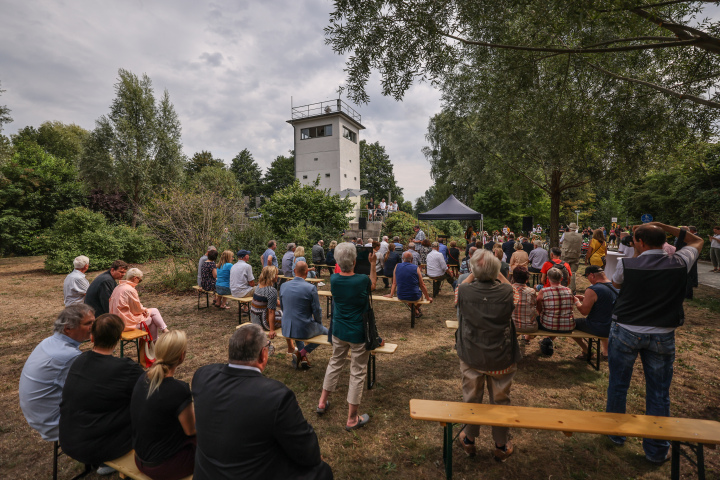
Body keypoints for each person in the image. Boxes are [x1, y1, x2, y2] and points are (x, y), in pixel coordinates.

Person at [606, 223, 702, 464]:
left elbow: (616, 284)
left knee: (618, 384)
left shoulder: (628, 263)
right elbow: (697, 241)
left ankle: (616, 434)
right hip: (663, 332)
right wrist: (665, 227)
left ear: (640, 242)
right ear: (662, 241)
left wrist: (639, 251)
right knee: (659, 392)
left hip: (626, 329)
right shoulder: (680, 261)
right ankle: (657, 448)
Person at [192, 324, 333, 479]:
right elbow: (308, 453)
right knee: (322, 471)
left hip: (207, 473)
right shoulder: (276, 396)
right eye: (268, 346)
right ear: (263, 354)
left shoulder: (202, 376)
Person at [455, 249, 519, 461]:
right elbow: (509, 286)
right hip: (501, 354)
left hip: (472, 353)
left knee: (472, 396)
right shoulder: (507, 292)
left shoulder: (464, 291)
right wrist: (496, 270)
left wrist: (476, 270)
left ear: (471, 270)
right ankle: (500, 445)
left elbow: (464, 284)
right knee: (501, 399)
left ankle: (469, 440)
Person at [59, 314, 145, 469]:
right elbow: (152, 392)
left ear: (92, 337)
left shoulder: (79, 361)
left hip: (68, 440)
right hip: (103, 448)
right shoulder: (126, 369)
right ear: (119, 337)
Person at [317, 242, 379, 430]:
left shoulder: (334, 279)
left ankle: (322, 402)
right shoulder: (361, 280)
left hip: (339, 330)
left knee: (335, 363)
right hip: (358, 332)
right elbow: (373, 285)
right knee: (357, 372)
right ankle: (352, 419)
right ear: (354, 261)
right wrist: (373, 264)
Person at [19, 305, 95, 442]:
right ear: (68, 328)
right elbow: (89, 390)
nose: (94, 327)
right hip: (53, 422)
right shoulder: (69, 356)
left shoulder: (49, 342)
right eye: (88, 323)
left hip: (38, 415)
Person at [131, 331, 196, 480]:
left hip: (140, 459)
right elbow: (191, 430)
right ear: (182, 356)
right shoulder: (178, 389)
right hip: (164, 467)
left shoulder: (142, 378)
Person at [280, 261, 327, 369]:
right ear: (306, 272)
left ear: (294, 271)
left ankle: (303, 356)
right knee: (327, 333)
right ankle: (302, 353)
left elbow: (283, 308)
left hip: (286, 328)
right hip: (303, 329)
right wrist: (318, 323)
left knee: (298, 323)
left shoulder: (283, 286)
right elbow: (317, 310)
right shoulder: (310, 288)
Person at [572, 266, 617, 359]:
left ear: (592, 275)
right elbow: (605, 303)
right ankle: (606, 353)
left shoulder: (593, 289)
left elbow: (584, 311)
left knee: (569, 324)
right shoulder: (616, 287)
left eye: (587, 277)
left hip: (597, 327)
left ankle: (586, 350)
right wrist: (586, 299)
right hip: (614, 327)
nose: (588, 279)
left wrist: (576, 302)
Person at [110, 268, 169, 339]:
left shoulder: (118, 287)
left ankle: (156, 339)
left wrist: (143, 310)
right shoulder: (129, 289)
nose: (139, 282)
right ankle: (163, 332)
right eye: (140, 280)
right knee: (154, 311)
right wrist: (144, 310)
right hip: (125, 323)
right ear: (135, 278)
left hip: (116, 322)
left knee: (152, 318)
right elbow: (136, 309)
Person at [252, 266, 295, 355]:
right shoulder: (271, 290)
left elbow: (274, 302)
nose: (277, 276)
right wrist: (271, 330)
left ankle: (291, 347)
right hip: (264, 322)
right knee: (289, 317)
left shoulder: (259, 287)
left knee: (286, 313)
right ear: (271, 276)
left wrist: (287, 305)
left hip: (255, 320)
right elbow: (271, 311)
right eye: (276, 274)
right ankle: (291, 348)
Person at [385, 251, 432, 317]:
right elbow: (422, 285)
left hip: (401, 296)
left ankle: (415, 310)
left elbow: (394, 283)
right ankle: (415, 309)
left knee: (410, 297)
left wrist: (391, 294)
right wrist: (428, 298)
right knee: (421, 296)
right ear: (412, 259)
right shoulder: (416, 268)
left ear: (402, 258)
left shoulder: (397, 266)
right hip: (414, 296)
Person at [536, 268, 575, 333]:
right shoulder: (569, 290)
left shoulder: (543, 291)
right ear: (561, 279)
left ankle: (527, 338)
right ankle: (547, 341)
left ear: (548, 279)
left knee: (535, 319)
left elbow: (538, 308)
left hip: (549, 325)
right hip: (568, 325)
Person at [510, 266, 537, 334]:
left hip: (511, 326)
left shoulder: (508, 289)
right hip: (530, 327)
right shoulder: (531, 292)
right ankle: (526, 339)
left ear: (513, 277)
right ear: (527, 279)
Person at [561, 222, 583, 294]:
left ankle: (564, 287)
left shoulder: (565, 234)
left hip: (566, 255)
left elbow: (560, 241)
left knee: (564, 271)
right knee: (573, 272)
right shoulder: (580, 236)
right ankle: (572, 289)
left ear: (569, 228)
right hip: (576, 255)